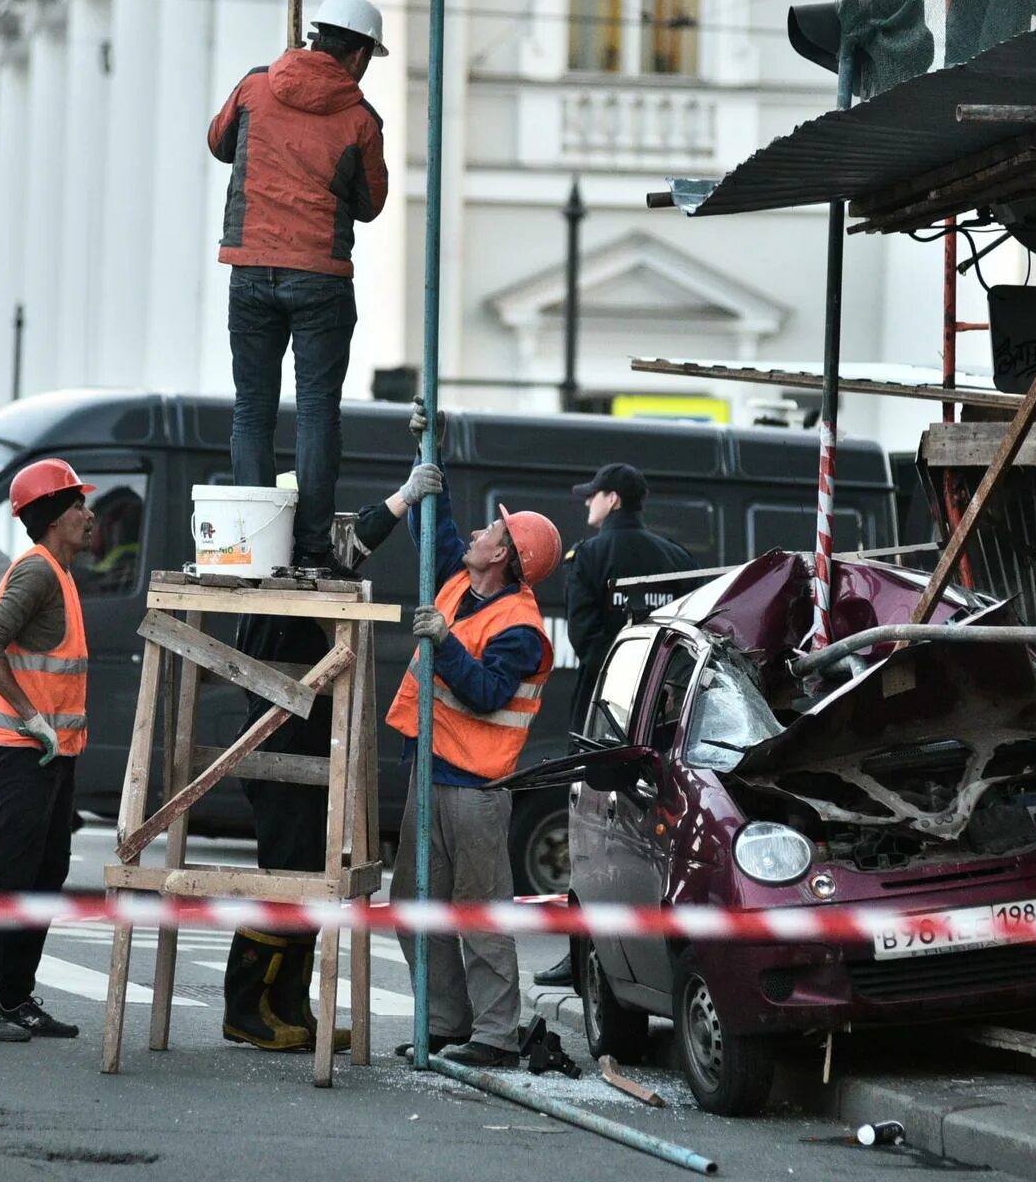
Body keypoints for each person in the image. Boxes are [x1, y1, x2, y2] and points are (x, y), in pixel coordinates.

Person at [221, 470, 434, 1052]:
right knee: (287, 881)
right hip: (280, 746)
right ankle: (246, 1008)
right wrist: (403, 496)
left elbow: (345, 546)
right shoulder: (284, 570)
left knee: (308, 882)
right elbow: (352, 543)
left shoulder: (293, 570)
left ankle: (287, 1006)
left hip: (306, 743)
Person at [384, 402, 563, 1068]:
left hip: (476, 789)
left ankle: (491, 1036)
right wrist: (429, 447)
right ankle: (446, 1023)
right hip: (431, 773)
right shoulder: (463, 582)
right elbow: (438, 520)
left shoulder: (520, 623)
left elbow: (487, 694)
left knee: (477, 911)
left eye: (494, 531)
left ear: (507, 557)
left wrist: (445, 645)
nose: (481, 532)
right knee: (416, 904)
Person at [208, 0, 391, 571]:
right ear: (358, 54)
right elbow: (371, 204)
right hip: (320, 281)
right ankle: (311, 545)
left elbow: (218, 142)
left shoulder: (255, 86)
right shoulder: (360, 119)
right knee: (316, 412)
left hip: (251, 270)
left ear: (315, 36)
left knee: (251, 412)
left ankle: (254, 543)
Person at [0, 458, 98, 1042]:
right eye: (79, 506)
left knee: (45, 871)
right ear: (54, 517)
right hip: (22, 749)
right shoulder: (37, 572)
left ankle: (14, 998)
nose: (89, 516)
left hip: (53, 752)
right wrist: (32, 717)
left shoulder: (59, 572)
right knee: (9, 873)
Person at [533, 463, 694, 988]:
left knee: (591, 836)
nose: (586, 505)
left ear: (614, 501)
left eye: (592, 497)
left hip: (607, 717)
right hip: (669, 722)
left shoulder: (590, 556)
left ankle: (585, 954)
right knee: (660, 838)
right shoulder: (677, 558)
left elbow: (584, 640)